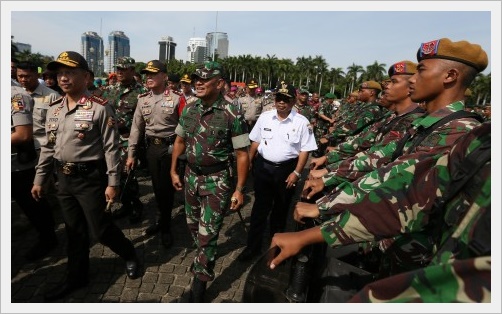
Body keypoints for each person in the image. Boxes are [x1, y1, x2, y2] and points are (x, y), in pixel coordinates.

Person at [268, 37, 488, 283]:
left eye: (422, 70)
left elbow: (400, 187)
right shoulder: (428, 125)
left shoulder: (458, 131)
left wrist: (322, 211)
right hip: (391, 242)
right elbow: (379, 161)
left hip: (417, 258)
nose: (414, 78)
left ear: (450, 75)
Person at [31, 51, 141, 301]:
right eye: (59, 73)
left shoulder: (100, 108)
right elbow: (49, 147)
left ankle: (129, 253)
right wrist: (40, 178)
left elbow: (112, 148)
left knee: (100, 229)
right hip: (63, 179)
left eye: (70, 72)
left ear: (87, 77)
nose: (63, 78)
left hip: (90, 178)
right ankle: (76, 277)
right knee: (74, 231)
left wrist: (113, 182)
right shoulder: (54, 109)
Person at [170, 61, 250, 302]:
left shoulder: (233, 113)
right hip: (191, 176)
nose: (198, 83)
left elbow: (242, 154)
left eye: (205, 79)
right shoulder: (190, 109)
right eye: (197, 79)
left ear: (220, 84)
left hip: (217, 181)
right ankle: (203, 255)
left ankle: (200, 280)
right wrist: (174, 170)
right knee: (193, 225)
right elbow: (180, 141)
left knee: (208, 232)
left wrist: (239, 189)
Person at [237, 81, 317, 262]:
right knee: (259, 209)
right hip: (263, 169)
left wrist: (297, 173)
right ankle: (253, 247)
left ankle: (275, 248)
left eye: (286, 99)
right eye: (279, 98)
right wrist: (249, 162)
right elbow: (255, 141)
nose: (282, 102)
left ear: (293, 100)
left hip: (286, 171)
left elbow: (305, 150)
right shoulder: (265, 117)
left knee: (280, 211)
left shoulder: (302, 122)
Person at [126, 60, 186, 248]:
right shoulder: (143, 99)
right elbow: (136, 128)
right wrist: (131, 154)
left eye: (153, 73)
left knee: (166, 189)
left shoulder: (177, 98)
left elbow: (185, 128)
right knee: (157, 187)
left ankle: (165, 226)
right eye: (146, 74)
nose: (148, 77)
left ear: (164, 76)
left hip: (171, 148)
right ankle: (161, 220)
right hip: (152, 148)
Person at [11, 81, 58, 261]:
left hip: (20, 163)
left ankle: (47, 237)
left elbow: (23, 134)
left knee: (33, 202)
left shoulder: (16, 96)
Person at [102, 57, 148, 223]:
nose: (120, 72)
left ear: (132, 70)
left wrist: (124, 123)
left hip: (129, 139)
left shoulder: (141, 91)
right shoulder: (110, 89)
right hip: (110, 139)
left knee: (128, 175)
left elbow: (144, 117)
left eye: (124, 69)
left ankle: (136, 206)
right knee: (116, 174)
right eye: (118, 68)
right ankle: (126, 204)